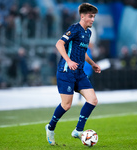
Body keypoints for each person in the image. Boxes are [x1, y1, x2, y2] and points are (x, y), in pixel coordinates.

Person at [45, 3, 101, 146]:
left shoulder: (88, 33)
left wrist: (93, 63)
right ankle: (50, 127)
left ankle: (78, 130)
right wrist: (69, 61)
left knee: (93, 100)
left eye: (93, 17)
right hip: (66, 71)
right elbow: (59, 44)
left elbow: (82, 52)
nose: (92, 19)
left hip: (79, 72)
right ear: (82, 16)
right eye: (90, 16)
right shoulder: (74, 29)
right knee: (67, 105)